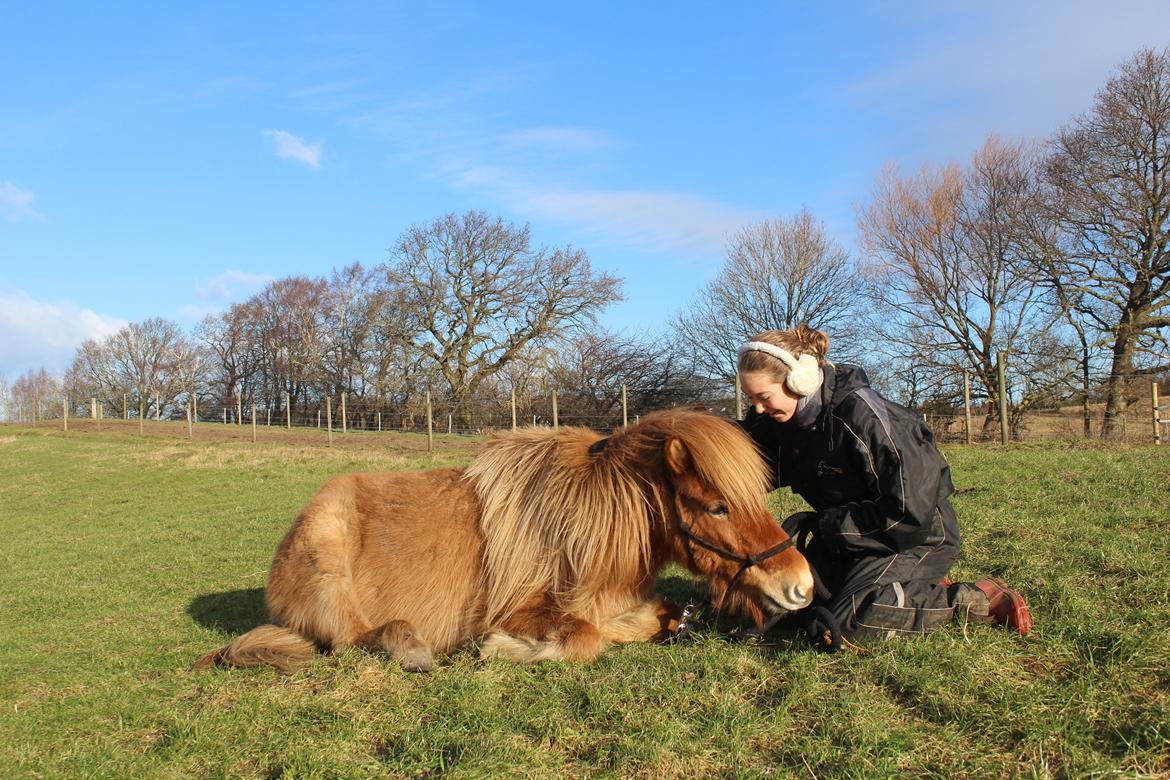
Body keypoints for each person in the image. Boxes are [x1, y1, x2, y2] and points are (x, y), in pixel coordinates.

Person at [736, 324, 1031, 648]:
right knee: (778, 602)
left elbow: (910, 513)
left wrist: (831, 526)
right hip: (848, 539)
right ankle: (905, 586)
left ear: (799, 380)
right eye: (752, 399)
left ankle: (977, 599)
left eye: (763, 397)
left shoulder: (862, 416)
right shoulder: (778, 421)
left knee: (849, 621)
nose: (759, 409)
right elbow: (740, 458)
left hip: (913, 536)